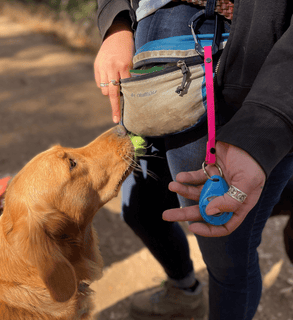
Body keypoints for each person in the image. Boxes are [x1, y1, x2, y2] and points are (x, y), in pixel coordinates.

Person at [94, 1, 293, 319]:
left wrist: (271, 119)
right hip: (148, 78)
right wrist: (116, 24)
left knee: (226, 255)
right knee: (140, 207)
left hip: (231, 78)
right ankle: (183, 289)